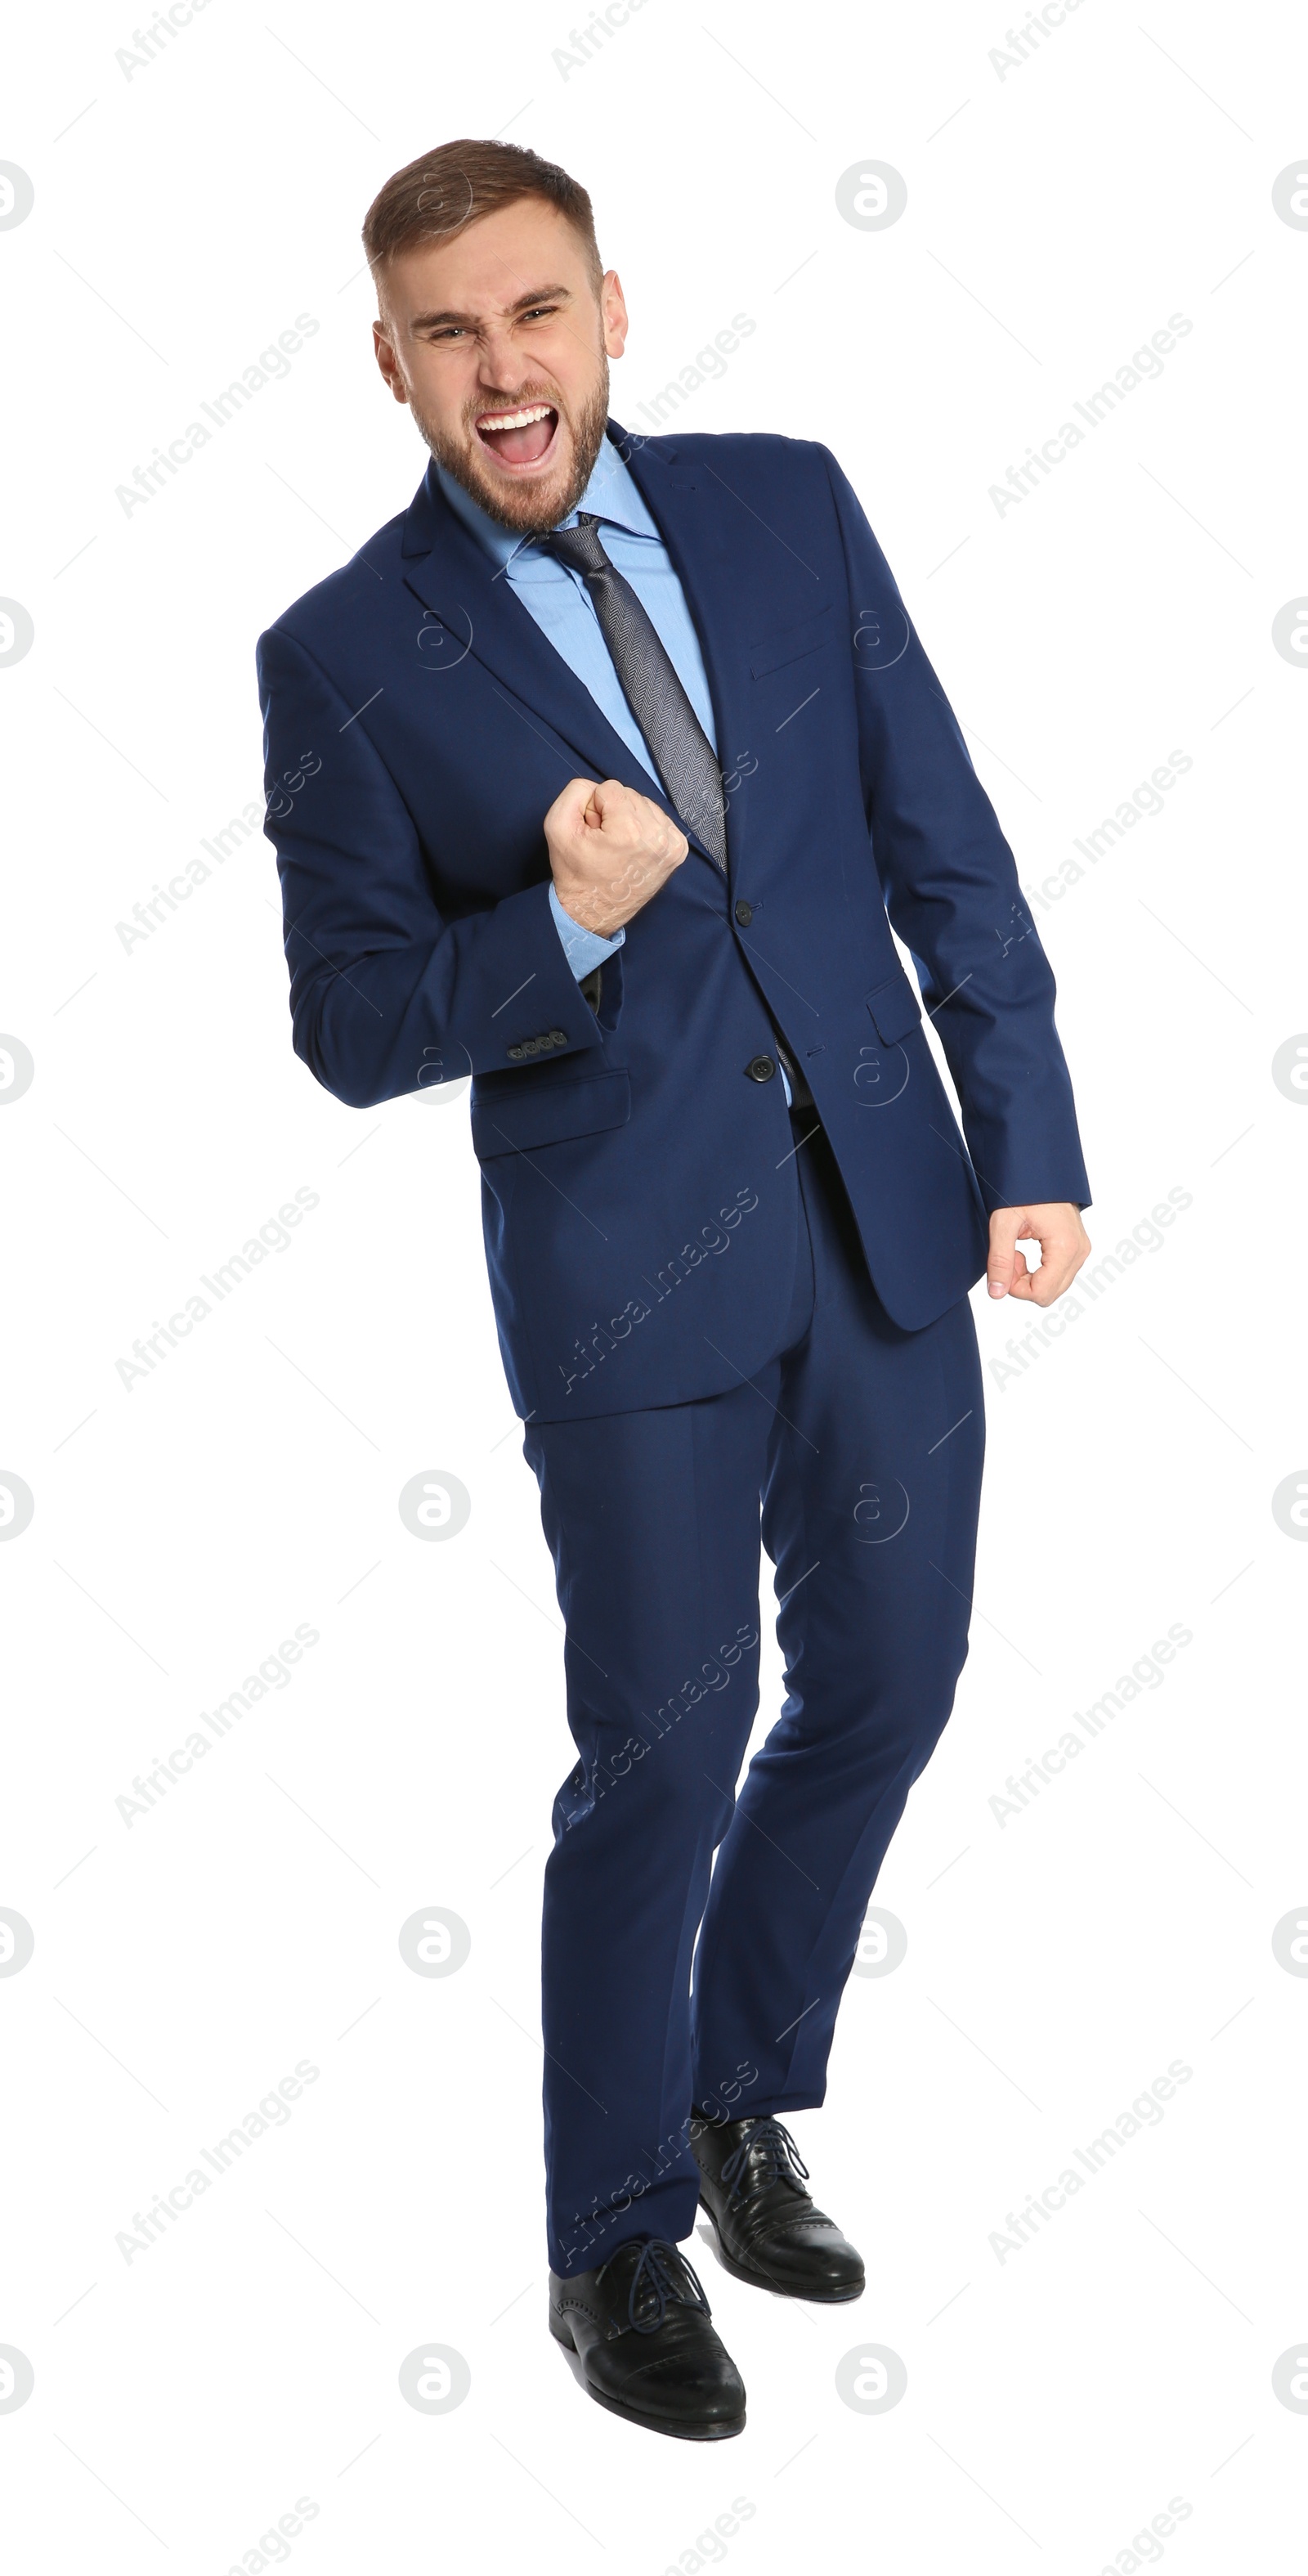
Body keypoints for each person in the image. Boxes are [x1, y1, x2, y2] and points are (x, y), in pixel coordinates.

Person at [258, 137, 1091, 2443]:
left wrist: (1029, 1144)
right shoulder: (339, 653)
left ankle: (743, 2087)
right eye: (450, 334)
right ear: (395, 369)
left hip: (891, 1219)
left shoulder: (789, 507)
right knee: (655, 1753)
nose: (501, 368)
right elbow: (349, 1026)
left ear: (613, 309)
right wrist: (564, 927)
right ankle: (613, 2233)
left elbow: (942, 828)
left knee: (894, 1689)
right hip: (628, 1281)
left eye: (535, 313)